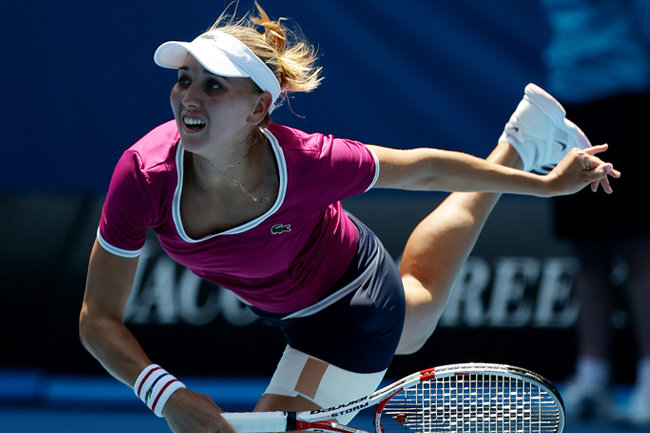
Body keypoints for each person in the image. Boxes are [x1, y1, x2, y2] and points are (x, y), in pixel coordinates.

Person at [78, 4, 619, 433]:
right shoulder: (144, 175)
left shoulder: (308, 161)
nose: (188, 98)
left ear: (258, 109)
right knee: (417, 311)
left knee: (404, 316)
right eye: (184, 79)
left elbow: (423, 169)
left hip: (348, 310)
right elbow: (97, 318)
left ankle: (521, 153)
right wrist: (167, 395)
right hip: (292, 304)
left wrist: (546, 187)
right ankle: (521, 142)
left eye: (213, 85)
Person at [537, 0, 650, 426]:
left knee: (639, 250)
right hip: (568, 100)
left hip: (627, 96)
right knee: (586, 253)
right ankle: (592, 377)